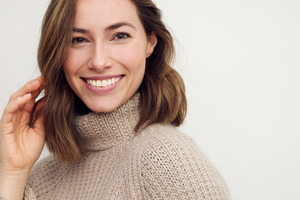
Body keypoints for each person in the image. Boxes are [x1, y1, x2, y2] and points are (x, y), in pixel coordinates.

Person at [0, 0, 231, 199]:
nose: (99, 61)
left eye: (120, 36)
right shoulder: (41, 177)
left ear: (150, 42)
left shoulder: (168, 160)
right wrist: (13, 172)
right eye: (78, 39)